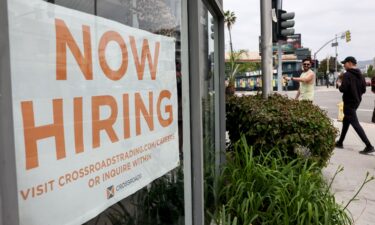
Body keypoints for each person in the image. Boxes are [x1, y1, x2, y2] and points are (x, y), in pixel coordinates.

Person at [335, 56, 374, 154]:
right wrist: (357, 94)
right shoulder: (360, 74)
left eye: (345, 63)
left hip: (349, 102)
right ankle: (340, 142)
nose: (344, 65)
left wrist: (339, 83)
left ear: (350, 63)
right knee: (346, 121)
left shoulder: (347, 74)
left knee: (355, 124)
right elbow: (364, 89)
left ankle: (369, 146)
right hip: (356, 101)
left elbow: (343, 89)